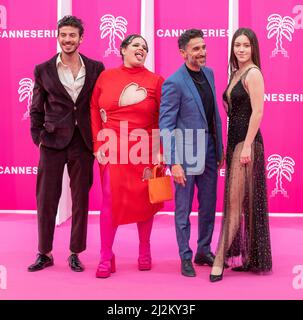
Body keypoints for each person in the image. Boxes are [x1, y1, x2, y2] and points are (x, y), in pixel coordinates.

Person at [28, 15, 104, 272]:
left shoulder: (96, 68)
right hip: (51, 141)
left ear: (81, 38)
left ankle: (75, 252)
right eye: (64, 35)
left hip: (83, 142)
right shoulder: (43, 69)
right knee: (46, 198)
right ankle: (44, 252)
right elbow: (36, 109)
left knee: (81, 199)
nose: (68, 40)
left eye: (73, 35)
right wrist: (38, 137)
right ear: (58, 37)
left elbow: (98, 105)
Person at [90, 34, 164, 278]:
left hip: (145, 148)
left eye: (145, 48)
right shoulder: (106, 76)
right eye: (136, 45)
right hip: (113, 146)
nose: (141, 49)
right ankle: (105, 255)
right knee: (110, 197)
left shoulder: (156, 81)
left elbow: (164, 119)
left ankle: (145, 249)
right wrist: (97, 142)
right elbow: (93, 108)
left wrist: (161, 151)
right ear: (122, 49)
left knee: (147, 199)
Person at [159, 29, 224, 277]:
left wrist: (219, 148)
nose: (202, 52)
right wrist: (173, 162)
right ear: (183, 52)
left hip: (209, 150)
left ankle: (203, 250)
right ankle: (185, 256)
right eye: (196, 49)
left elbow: (212, 114)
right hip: (185, 155)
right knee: (183, 208)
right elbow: (166, 125)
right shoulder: (174, 82)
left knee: (208, 204)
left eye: (203, 47)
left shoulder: (210, 74)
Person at [210, 28, 272, 282]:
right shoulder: (236, 73)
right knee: (239, 202)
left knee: (235, 204)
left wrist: (246, 145)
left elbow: (257, 112)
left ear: (254, 47)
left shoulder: (254, 73)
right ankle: (247, 257)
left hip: (247, 144)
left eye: (246, 45)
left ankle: (219, 260)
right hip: (234, 142)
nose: (241, 49)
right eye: (237, 45)